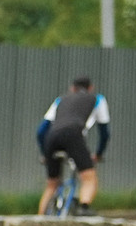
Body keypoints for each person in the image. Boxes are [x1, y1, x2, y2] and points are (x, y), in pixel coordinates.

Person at [37, 76, 110, 214]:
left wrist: (45, 154)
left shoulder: (60, 100)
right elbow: (104, 132)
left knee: (52, 184)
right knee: (89, 177)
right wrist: (99, 154)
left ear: (72, 88)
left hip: (51, 137)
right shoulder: (98, 99)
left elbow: (41, 131)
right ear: (91, 88)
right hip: (73, 135)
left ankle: (40, 219)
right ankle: (84, 208)